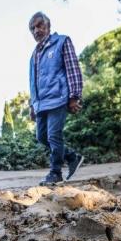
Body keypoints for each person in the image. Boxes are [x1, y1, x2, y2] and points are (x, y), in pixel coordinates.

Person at [28, 11, 84, 185]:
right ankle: (71, 156)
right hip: (41, 103)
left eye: (39, 25)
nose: (36, 30)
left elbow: (73, 68)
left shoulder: (62, 42)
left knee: (53, 135)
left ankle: (55, 172)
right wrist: (32, 105)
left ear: (48, 25)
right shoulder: (34, 55)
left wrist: (74, 96)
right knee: (41, 137)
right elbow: (33, 82)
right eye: (32, 28)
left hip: (58, 98)